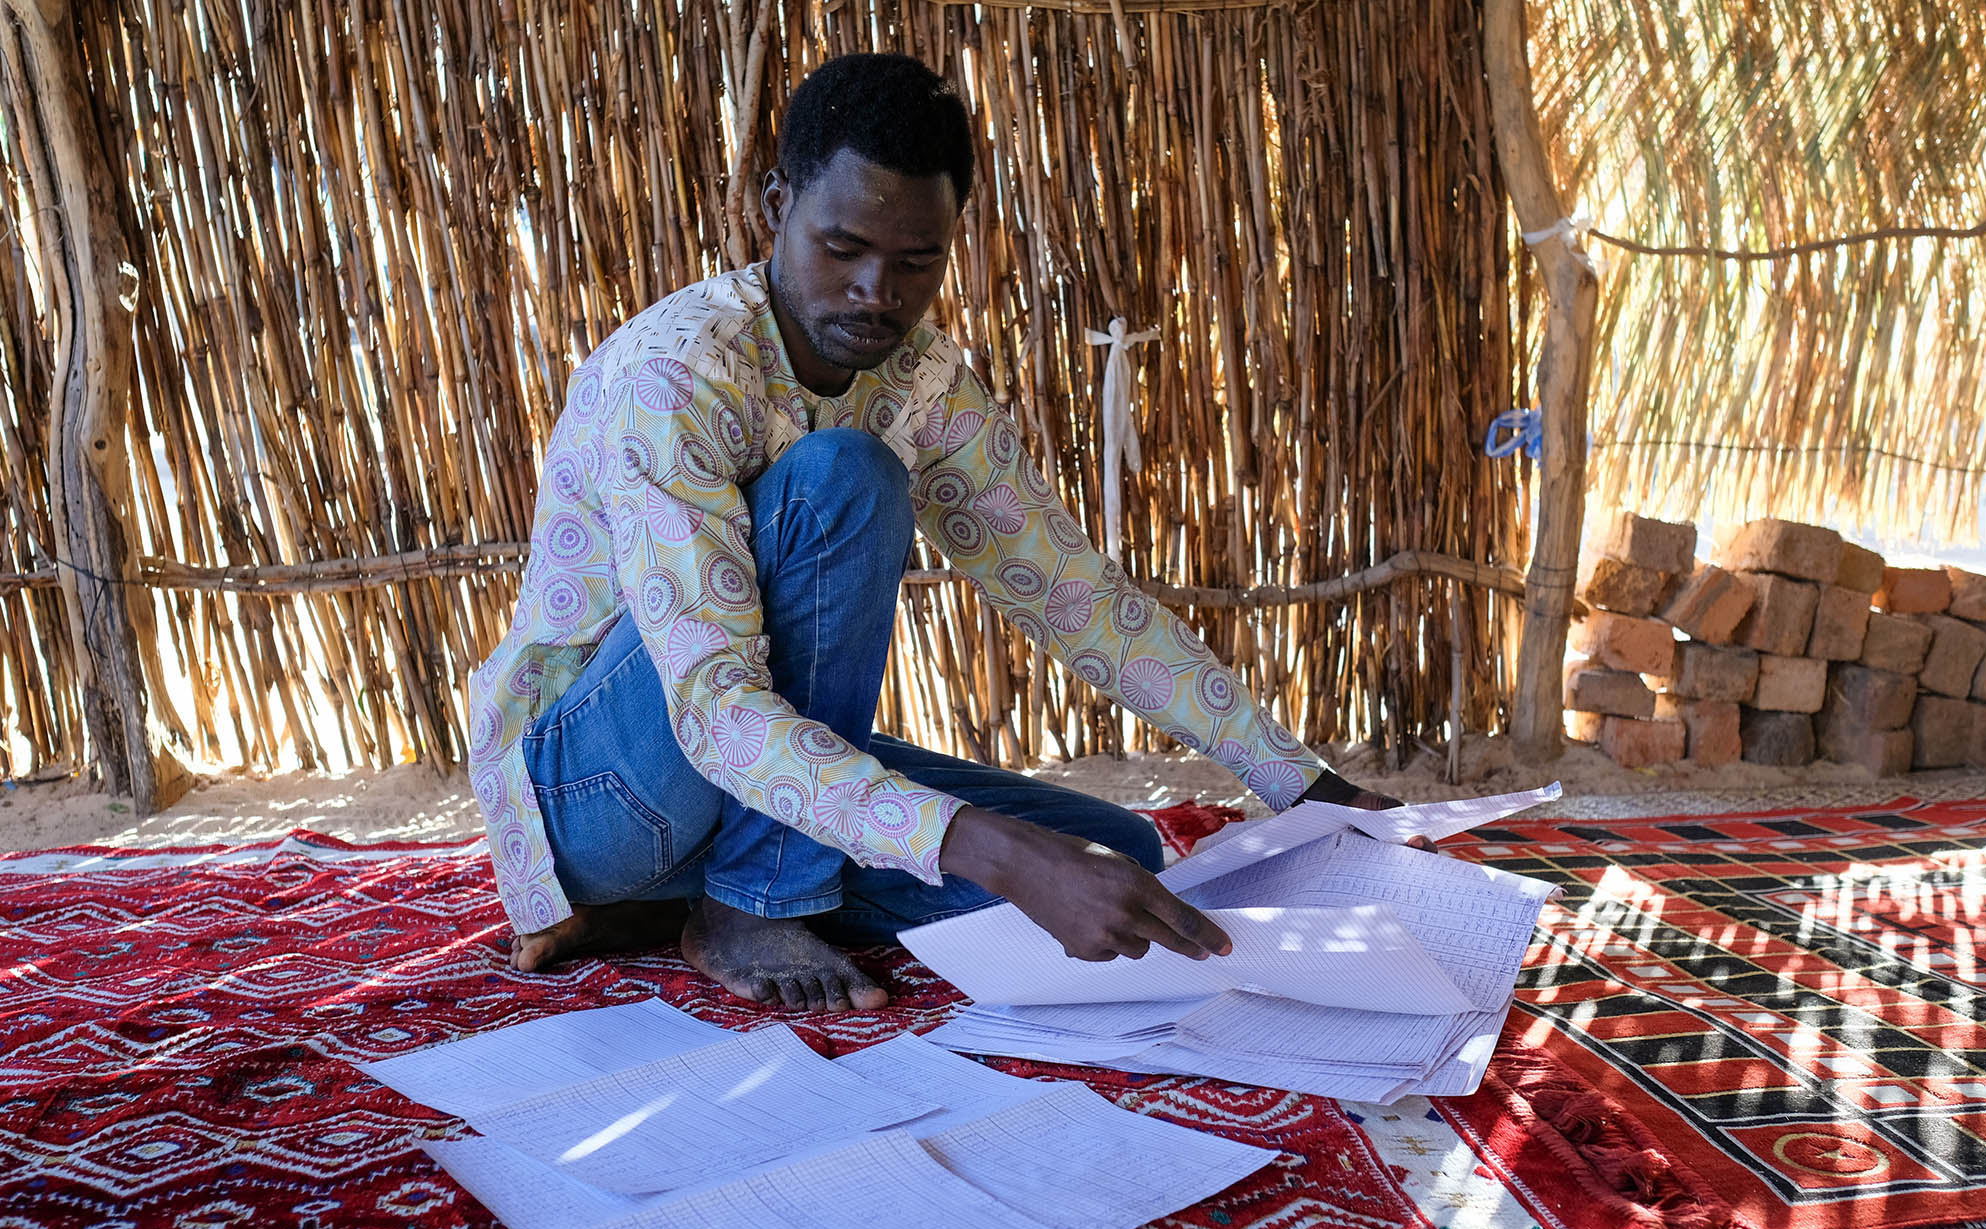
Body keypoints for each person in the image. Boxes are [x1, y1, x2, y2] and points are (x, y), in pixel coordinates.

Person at [466, 53, 1400, 1013]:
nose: (878, 291)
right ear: (773, 201)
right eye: (843, 248)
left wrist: (1293, 777)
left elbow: (1071, 593)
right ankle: (750, 901)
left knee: (1114, 861)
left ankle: (683, 903)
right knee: (846, 480)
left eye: (917, 261)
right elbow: (710, 706)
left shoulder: (921, 379)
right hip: (599, 796)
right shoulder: (679, 379)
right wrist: (996, 850)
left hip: (735, 785)